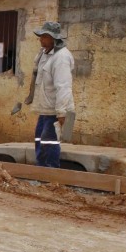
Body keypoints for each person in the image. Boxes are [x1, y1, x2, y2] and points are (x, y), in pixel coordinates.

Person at [31, 21, 75, 168]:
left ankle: (51, 172)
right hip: (45, 107)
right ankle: (41, 170)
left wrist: (61, 112)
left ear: (53, 38)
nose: (41, 39)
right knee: (39, 139)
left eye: (44, 36)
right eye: (41, 36)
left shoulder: (61, 58)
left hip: (54, 109)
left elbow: (63, 86)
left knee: (49, 141)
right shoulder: (44, 53)